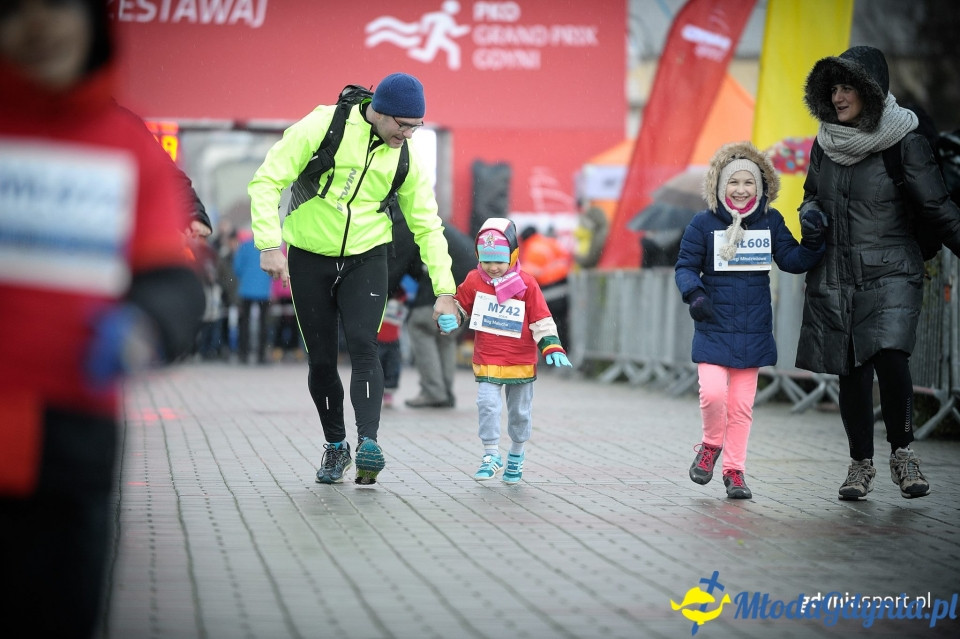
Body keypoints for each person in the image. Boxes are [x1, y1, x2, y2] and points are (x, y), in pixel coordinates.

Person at [0, 2, 204, 637]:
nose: (40, 25)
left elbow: (170, 279)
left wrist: (145, 325)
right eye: (17, 8)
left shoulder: (122, 143)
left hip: (72, 438)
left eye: (59, 5)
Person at [248, 71, 458, 485]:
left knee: (365, 345)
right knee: (322, 358)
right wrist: (269, 243)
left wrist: (445, 290)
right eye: (404, 125)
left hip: (367, 256)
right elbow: (267, 180)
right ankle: (335, 446)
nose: (410, 135)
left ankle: (368, 445)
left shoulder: (406, 155)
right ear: (379, 111)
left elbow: (428, 226)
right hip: (309, 255)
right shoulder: (324, 125)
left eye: (418, 127)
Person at [797, 46, 960, 500]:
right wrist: (810, 214)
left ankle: (904, 455)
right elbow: (811, 195)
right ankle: (859, 465)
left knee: (890, 356)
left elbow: (938, 208)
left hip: (892, 268)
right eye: (833, 88)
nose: (839, 96)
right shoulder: (825, 142)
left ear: (870, 90)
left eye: (848, 86)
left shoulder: (905, 140)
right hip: (838, 271)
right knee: (849, 368)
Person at [675, 142, 825, 500]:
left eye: (749, 183)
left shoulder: (770, 221)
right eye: (734, 182)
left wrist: (815, 238)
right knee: (712, 395)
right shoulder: (703, 222)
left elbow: (791, 259)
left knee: (741, 407)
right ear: (719, 185)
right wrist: (695, 294)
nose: (741, 190)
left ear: (761, 188)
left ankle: (735, 471)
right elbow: (685, 266)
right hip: (713, 323)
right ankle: (711, 445)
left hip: (754, 328)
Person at [438, 218, 573, 483]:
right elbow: (461, 304)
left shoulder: (527, 283)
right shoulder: (475, 279)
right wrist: (451, 318)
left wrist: (551, 345)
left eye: (499, 261)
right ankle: (490, 454)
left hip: (520, 359)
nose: (494, 268)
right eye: (487, 261)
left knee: (520, 412)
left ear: (512, 254)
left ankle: (517, 454)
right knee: (487, 404)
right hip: (488, 356)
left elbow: (541, 319)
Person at [388, 212, 476, 408]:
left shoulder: (407, 223)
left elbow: (397, 266)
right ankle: (444, 391)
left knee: (421, 325)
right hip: (472, 283)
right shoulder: (431, 221)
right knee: (446, 333)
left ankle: (433, 391)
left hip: (449, 281)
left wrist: (383, 293)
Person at [519, 225, 572, 348]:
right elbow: (565, 260)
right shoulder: (550, 242)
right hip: (563, 287)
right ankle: (564, 353)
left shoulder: (532, 248)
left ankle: (555, 357)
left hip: (550, 291)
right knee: (563, 324)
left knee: (550, 326)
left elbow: (531, 274)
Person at [232, 228, 271, 365]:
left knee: (244, 323)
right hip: (264, 291)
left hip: (246, 290)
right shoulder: (268, 247)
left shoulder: (245, 246)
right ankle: (261, 355)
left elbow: (237, 267)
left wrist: (245, 277)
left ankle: (243, 354)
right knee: (263, 324)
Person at [377, 286, 409, 408]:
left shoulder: (403, 302)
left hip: (393, 340)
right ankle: (379, 392)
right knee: (380, 366)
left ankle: (388, 393)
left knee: (392, 366)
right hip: (380, 339)